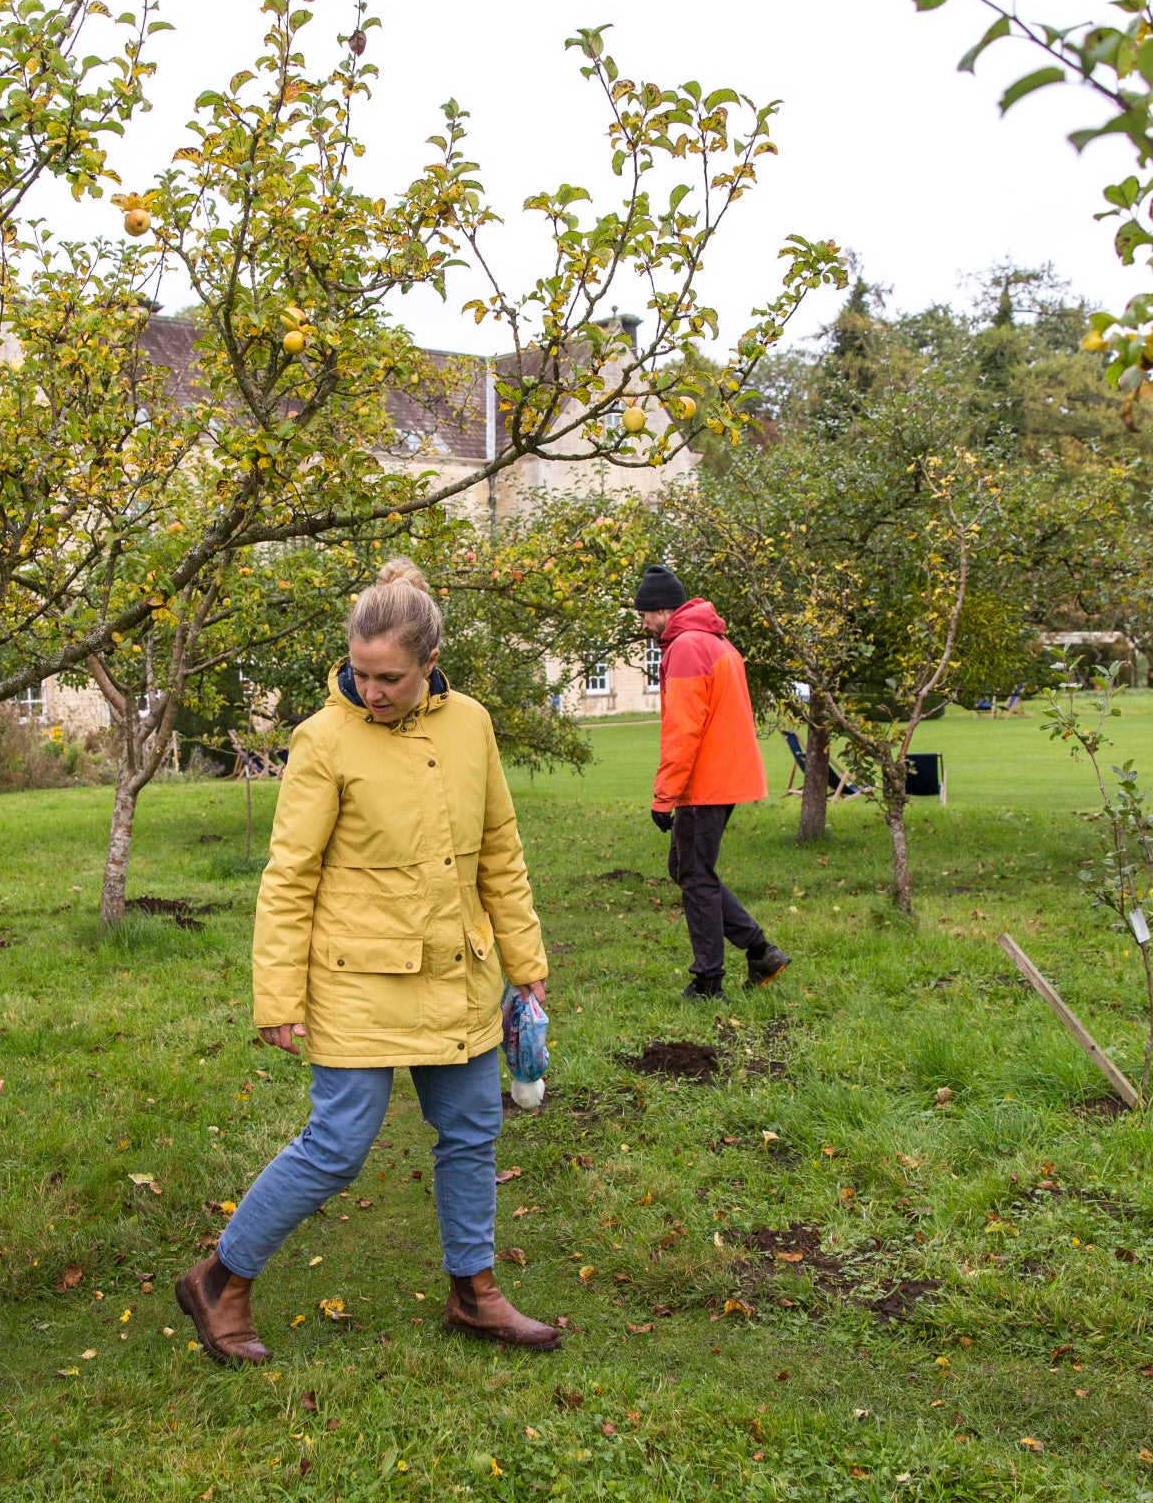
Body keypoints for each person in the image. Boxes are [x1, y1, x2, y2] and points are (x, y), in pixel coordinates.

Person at [178, 559, 560, 1363]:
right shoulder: (323, 739)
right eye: (358, 673)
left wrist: (525, 958)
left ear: (429, 663)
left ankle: (475, 1292)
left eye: (390, 676)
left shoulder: (473, 725)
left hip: (457, 971)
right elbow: (289, 875)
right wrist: (277, 992)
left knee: (471, 1128)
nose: (372, 690)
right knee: (338, 1144)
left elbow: (499, 848)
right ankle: (221, 1279)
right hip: (355, 980)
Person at [633, 564, 791, 1001]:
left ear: (663, 609)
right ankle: (760, 950)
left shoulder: (685, 647)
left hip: (706, 782)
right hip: (725, 776)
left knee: (696, 876)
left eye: (645, 613)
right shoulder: (714, 641)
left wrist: (664, 797)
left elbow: (683, 730)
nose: (643, 622)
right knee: (685, 869)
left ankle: (709, 981)